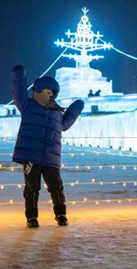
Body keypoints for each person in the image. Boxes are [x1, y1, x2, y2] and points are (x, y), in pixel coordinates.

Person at [12, 66, 84, 228]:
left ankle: (61, 214)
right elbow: (19, 92)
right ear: (37, 91)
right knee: (32, 188)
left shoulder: (56, 112)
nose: (48, 95)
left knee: (56, 187)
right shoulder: (28, 106)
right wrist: (19, 76)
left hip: (51, 157)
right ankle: (31, 217)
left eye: (51, 93)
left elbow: (65, 125)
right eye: (44, 91)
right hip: (31, 156)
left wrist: (76, 109)